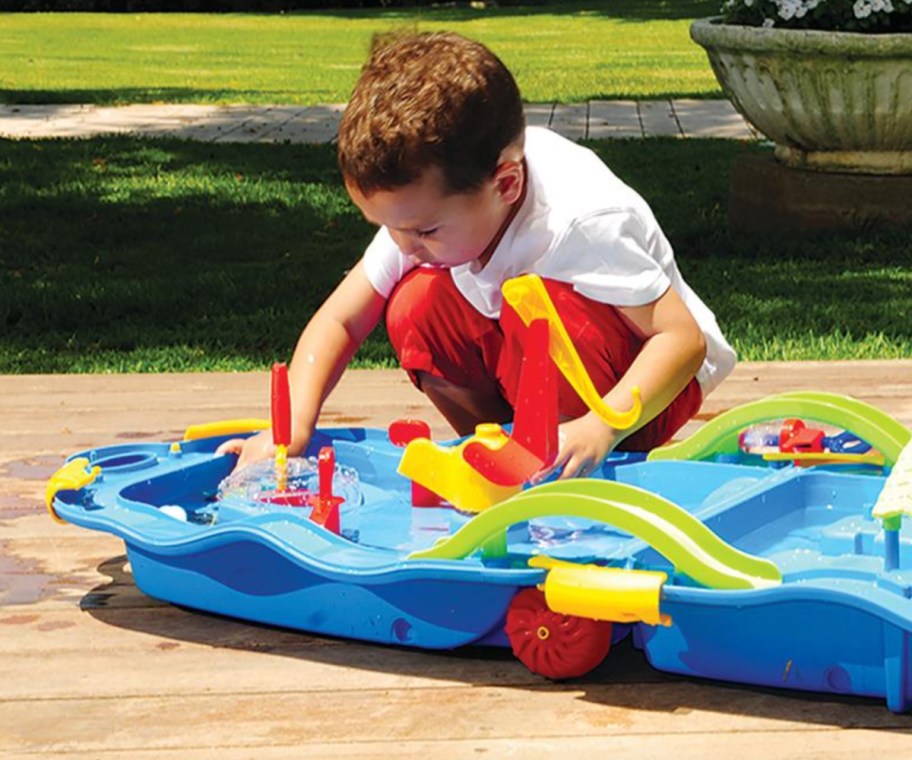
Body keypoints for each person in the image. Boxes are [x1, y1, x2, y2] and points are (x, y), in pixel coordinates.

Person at [217, 30, 736, 479]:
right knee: (415, 304)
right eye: (390, 227)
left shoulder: (579, 221)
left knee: (536, 310)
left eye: (422, 230)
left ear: (506, 183)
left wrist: (602, 426)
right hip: (537, 370)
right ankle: (506, 448)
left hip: (645, 393)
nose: (404, 244)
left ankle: (564, 456)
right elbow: (341, 320)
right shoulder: (425, 215)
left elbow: (681, 340)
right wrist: (292, 429)